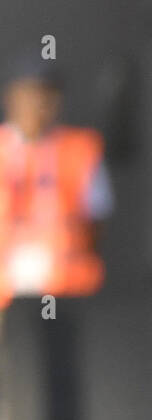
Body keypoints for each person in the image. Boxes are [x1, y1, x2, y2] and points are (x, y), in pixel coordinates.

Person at [0, 57, 112, 308]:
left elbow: (97, 221)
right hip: (5, 292)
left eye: (46, 96)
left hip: (65, 289)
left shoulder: (80, 149)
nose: (38, 104)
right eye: (30, 94)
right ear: (12, 97)